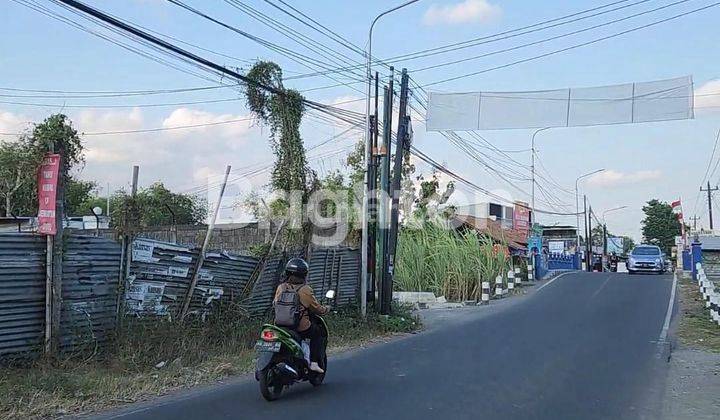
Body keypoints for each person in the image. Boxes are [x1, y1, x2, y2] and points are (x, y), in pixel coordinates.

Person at [273, 257, 329, 374]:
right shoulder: (305, 290)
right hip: (299, 327)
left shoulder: (281, 287)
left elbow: (275, 304)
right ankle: (313, 363)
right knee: (317, 333)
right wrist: (326, 309)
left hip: (280, 326)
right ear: (304, 274)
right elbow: (317, 309)